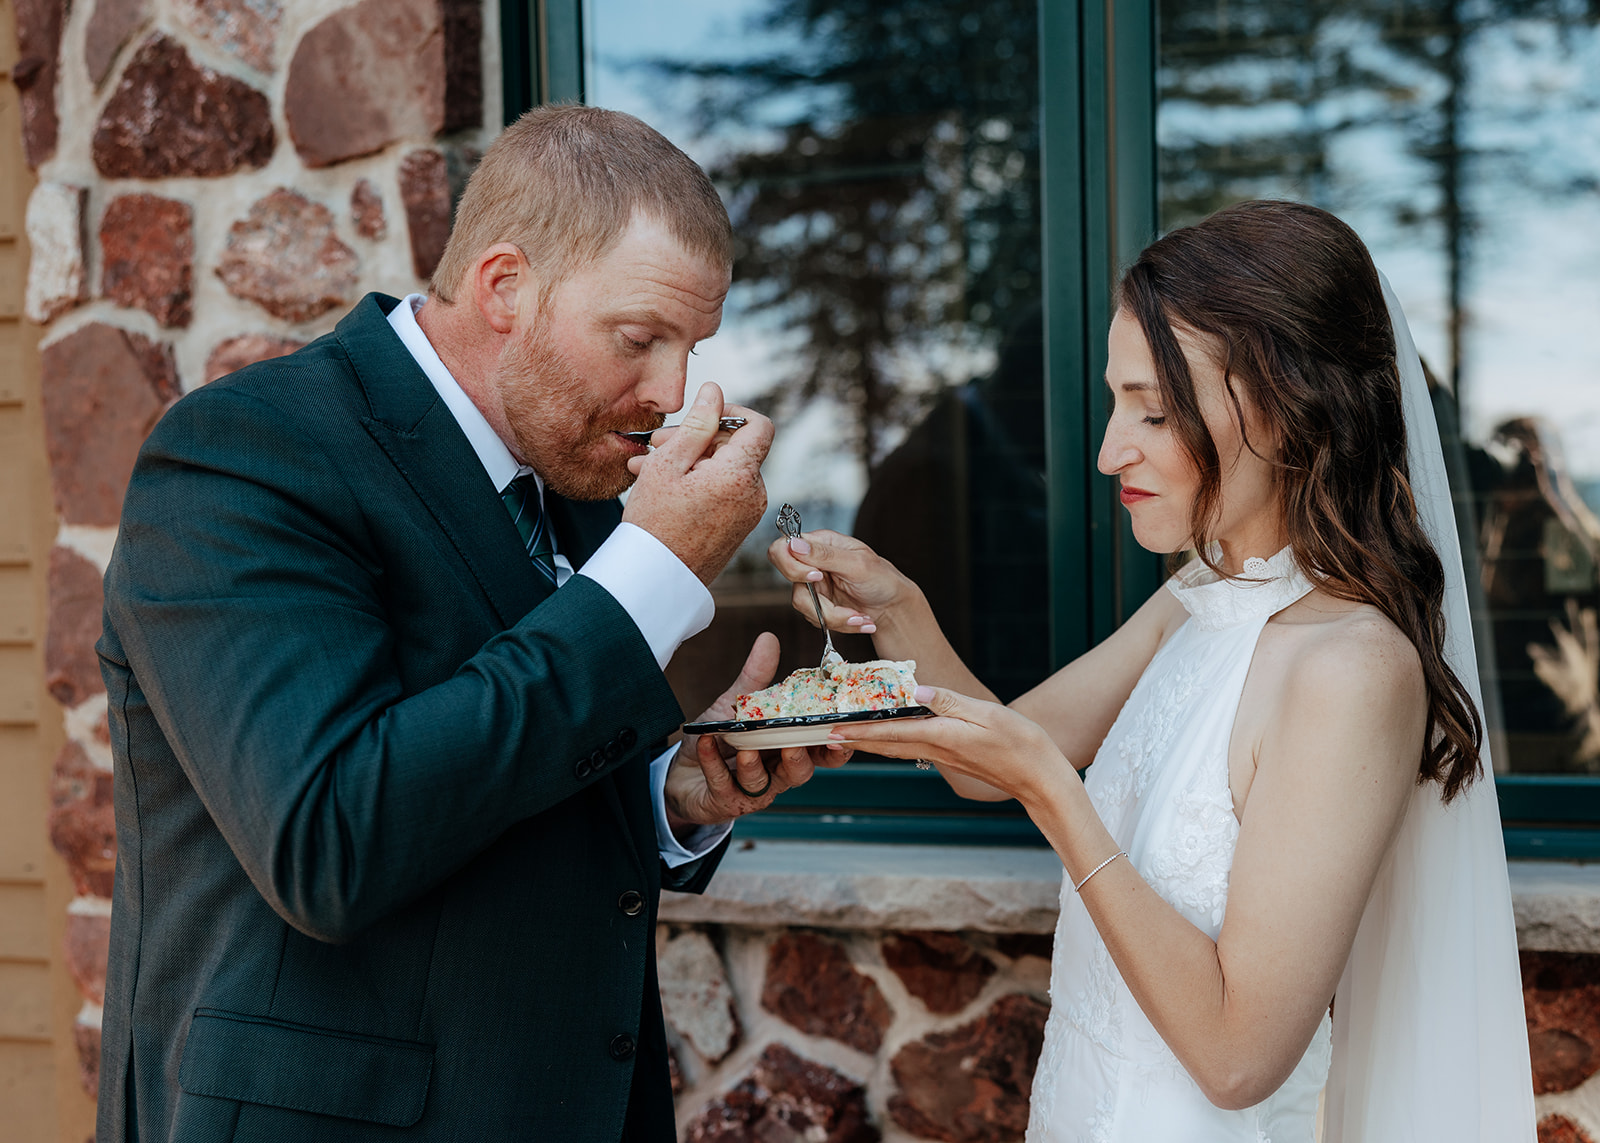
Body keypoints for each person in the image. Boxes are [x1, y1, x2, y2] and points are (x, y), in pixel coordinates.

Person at [95, 105, 843, 1143]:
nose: (673, 393)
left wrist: (671, 792)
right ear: (505, 287)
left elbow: (500, 775)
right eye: (638, 338)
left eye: (692, 345)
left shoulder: (573, 485)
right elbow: (329, 840)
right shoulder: (243, 453)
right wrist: (653, 571)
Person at [769, 201, 1534, 1140]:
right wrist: (895, 606)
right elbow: (981, 762)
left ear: (1285, 410)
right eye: (1114, 399)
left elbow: (1238, 1056)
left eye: (1154, 410)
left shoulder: (1352, 671)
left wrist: (1054, 793)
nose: (1106, 451)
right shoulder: (1203, 595)